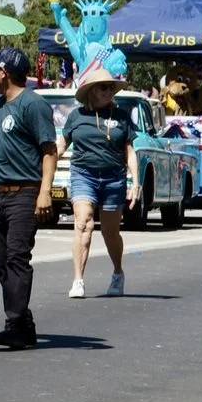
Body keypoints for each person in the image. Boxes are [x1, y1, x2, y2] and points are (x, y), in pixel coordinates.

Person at [0, 47, 57, 348]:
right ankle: (25, 324)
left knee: (17, 258)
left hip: (25, 192)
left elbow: (49, 150)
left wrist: (45, 192)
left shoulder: (32, 105)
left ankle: (15, 323)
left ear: (4, 73)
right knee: (2, 262)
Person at [58, 63, 133, 299]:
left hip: (114, 177)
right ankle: (78, 280)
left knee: (110, 233)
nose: (108, 91)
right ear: (91, 91)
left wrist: (136, 181)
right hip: (83, 174)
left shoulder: (121, 116)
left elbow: (129, 151)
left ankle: (118, 273)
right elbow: (61, 145)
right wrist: (44, 168)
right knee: (83, 224)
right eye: (103, 88)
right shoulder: (76, 116)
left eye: (111, 87)